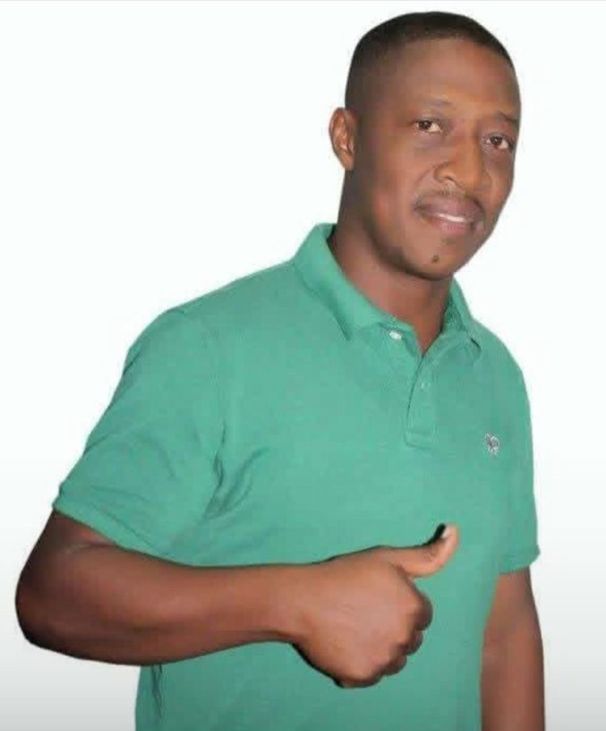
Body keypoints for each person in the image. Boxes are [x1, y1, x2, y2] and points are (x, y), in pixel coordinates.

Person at [15, 10, 544, 731]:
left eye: (497, 140)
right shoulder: (207, 348)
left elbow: (502, 633)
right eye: (430, 125)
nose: (470, 170)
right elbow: (51, 594)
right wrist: (296, 603)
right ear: (347, 138)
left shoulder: (493, 374)